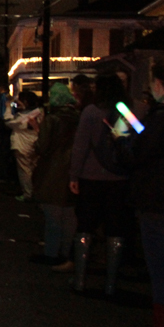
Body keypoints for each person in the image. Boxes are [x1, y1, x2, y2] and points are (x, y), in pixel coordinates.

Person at [118, 60, 164, 327]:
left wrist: (122, 137)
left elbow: (135, 157)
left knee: (159, 266)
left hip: (157, 202)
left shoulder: (159, 119)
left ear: (158, 84)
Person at [69, 73, 132, 295]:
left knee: (86, 225)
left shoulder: (91, 112)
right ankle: (110, 283)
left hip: (91, 177)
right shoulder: (124, 111)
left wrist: (74, 176)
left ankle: (80, 280)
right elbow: (138, 137)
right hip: (119, 177)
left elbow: (80, 146)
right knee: (115, 228)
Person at [30, 83, 79, 271]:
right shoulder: (79, 117)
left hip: (53, 171)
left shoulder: (52, 119)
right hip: (73, 170)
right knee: (69, 215)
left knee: (52, 215)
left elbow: (42, 147)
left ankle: (51, 253)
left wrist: (37, 129)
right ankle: (66, 252)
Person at [5, 89, 42, 202]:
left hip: (22, 146)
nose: (18, 103)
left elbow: (8, 121)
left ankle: (28, 194)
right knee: (34, 170)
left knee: (25, 171)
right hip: (36, 144)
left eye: (20, 101)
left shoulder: (22, 117)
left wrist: (8, 107)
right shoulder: (40, 113)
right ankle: (35, 192)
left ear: (25, 101)